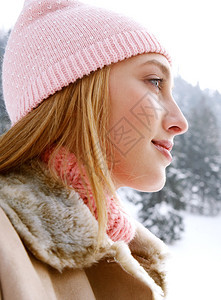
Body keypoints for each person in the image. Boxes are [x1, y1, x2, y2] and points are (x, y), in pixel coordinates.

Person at [0, 0, 188, 299]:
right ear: (80, 93)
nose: (180, 122)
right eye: (154, 81)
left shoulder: (128, 252)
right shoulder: (6, 245)